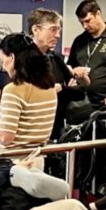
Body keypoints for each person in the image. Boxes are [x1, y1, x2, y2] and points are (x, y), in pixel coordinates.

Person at [28, 8, 88, 140]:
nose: (57, 35)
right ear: (36, 30)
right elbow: (35, 94)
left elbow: (79, 91)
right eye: (53, 29)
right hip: (32, 128)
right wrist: (64, 89)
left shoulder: (56, 59)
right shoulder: (23, 60)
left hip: (57, 127)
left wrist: (61, 88)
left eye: (59, 30)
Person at [0, 34, 58, 151]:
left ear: (12, 58)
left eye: (3, 60)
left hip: (10, 161)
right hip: (37, 157)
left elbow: (6, 137)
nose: (3, 66)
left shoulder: (13, 90)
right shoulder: (50, 87)